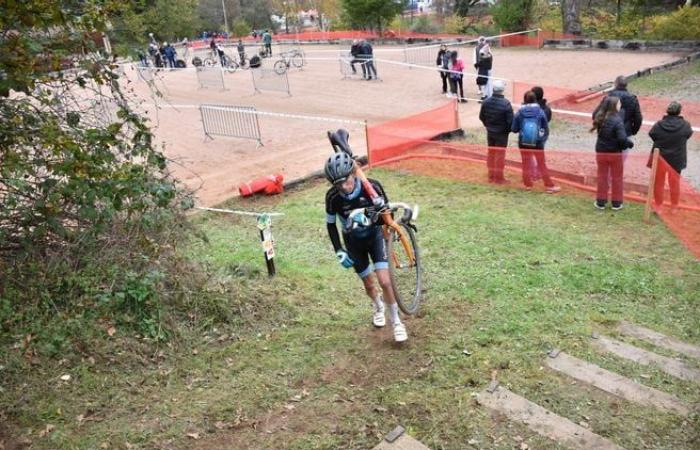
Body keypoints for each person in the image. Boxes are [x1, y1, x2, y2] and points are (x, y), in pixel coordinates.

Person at [324, 152, 408, 343]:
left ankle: (396, 322)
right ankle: (378, 306)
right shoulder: (332, 197)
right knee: (369, 284)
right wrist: (338, 249)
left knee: (385, 281)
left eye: (345, 181)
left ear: (353, 173)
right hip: (353, 243)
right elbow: (330, 225)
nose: (343, 187)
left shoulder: (373, 187)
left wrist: (370, 215)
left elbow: (387, 215)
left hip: (375, 237)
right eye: (337, 185)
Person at [512, 91, 560, 193]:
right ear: (535, 99)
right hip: (537, 142)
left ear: (524, 100)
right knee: (541, 163)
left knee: (525, 163)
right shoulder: (540, 111)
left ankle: (527, 185)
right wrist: (541, 139)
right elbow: (545, 128)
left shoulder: (519, 112)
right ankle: (549, 186)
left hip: (523, 141)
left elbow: (514, 129)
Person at [591, 96, 634, 210]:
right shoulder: (617, 120)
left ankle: (601, 201)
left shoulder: (601, 117)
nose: (620, 105)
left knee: (602, 177)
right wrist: (629, 144)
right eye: (619, 104)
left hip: (601, 152)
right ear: (615, 106)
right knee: (617, 178)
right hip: (614, 154)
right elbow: (621, 138)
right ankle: (616, 202)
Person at [648, 101, 693, 208]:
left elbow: (652, 135)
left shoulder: (659, 124)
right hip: (676, 159)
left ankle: (659, 205)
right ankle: (674, 206)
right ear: (679, 112)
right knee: (674, 183)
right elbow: (688, 134)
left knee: (658, 182)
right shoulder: (685, 125)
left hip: (660, 158)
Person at [479, 79, 514, 184]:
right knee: (500, 155)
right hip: (502, 133)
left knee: (491, 153)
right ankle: (499, 178)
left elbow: (481, 117)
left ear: (493, 89)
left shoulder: (486, 102)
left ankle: (491, 175)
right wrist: (507, 130)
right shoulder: (506, 104)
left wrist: (488, 126)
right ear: (502, 90)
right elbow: (510, 121)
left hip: (491, 132)